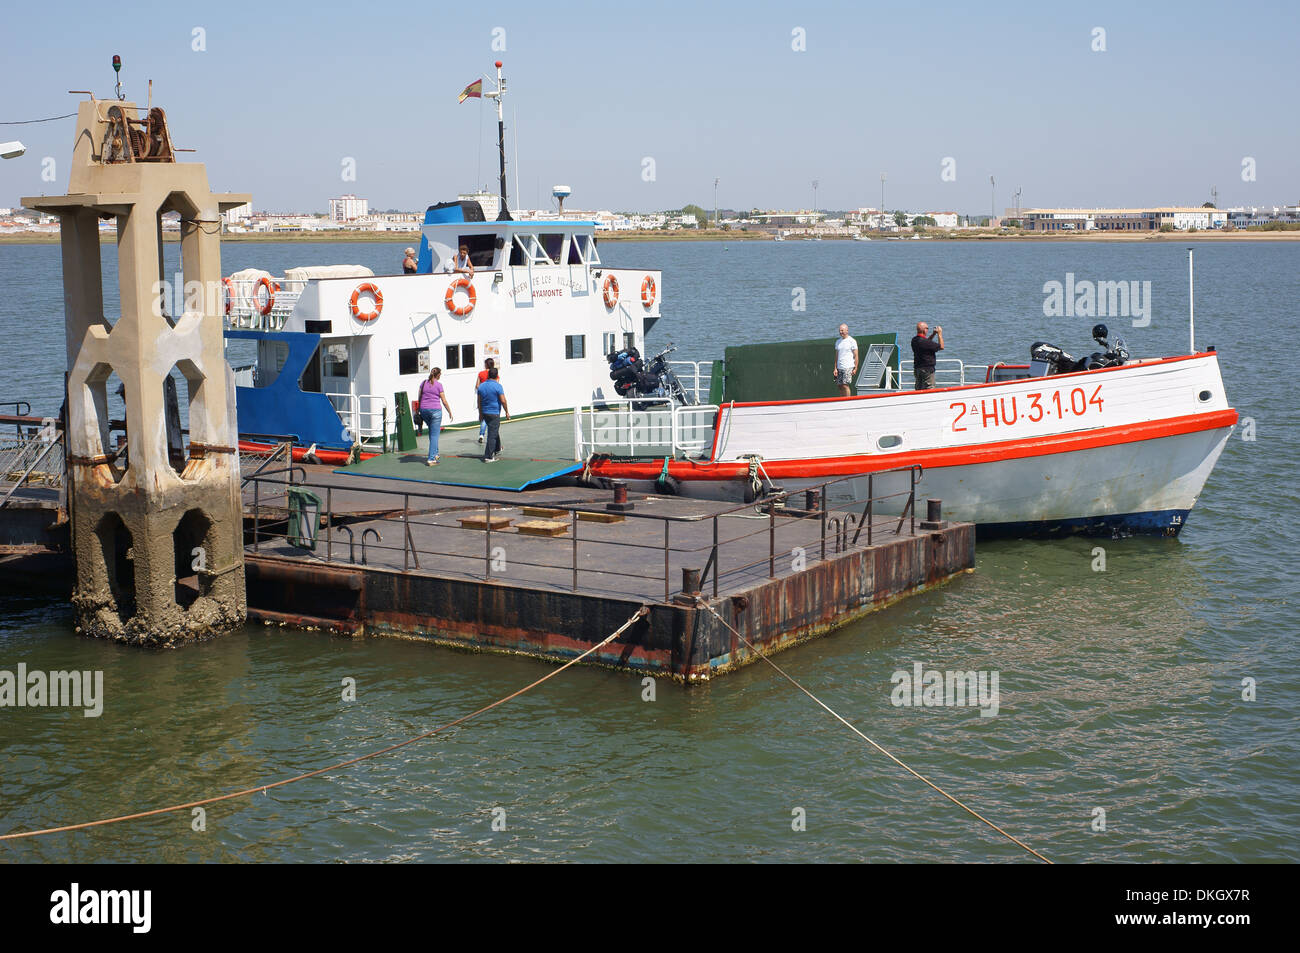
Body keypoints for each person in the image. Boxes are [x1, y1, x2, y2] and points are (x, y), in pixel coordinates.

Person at [417, 368, 453, 465]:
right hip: (435, 411)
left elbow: (419, 397)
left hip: (424, 410)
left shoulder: (423, 383)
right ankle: (431, 458)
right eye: (440, 374)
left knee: (432, 432)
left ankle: (435, 453)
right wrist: (450, 411)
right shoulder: (439, 385)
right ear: (438, 375)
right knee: (434, 435)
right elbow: (444, 401)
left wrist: (418, 409)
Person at [477, 367, 509, 462]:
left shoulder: (481, 386)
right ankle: (488, 456)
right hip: (494, 413)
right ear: (497, 375)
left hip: (485, 413)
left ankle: (497, 448)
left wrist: (480, 413)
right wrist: (507, 411)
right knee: (492, 434)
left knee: (494, 430)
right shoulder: (498, 386)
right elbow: (503, 400)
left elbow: (479, 401)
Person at [911, 321, 944, 390]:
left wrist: (933, 334)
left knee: (918, 389)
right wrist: (940, 334)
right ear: (924, 330)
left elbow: (926, 341)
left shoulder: (914, 340)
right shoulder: (925, 342)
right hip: (927, 370)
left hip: (917, 369)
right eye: (927, 328)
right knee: (929, 389)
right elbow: (941, 347)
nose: (928, 330)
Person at [475, 357, 496, 444]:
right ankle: (493, 437)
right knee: (494, 419)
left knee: (484, 418)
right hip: (492, 398)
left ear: (486, 364)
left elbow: (477, 386)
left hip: (483, 397)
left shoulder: (481, 373)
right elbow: (496, 384)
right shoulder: (494, 373)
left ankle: (481, 435)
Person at [833, 324, 858, 397]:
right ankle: (842, 400)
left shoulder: (852, 341)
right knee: (839, 385)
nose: (841, 332)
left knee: (844, 385)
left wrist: (855, 368)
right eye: (840, 330)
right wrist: (835, 368)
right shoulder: (838, 342)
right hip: (839, 367)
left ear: (847, 330)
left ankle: (848, 401)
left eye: (842, 330)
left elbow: (856, 355)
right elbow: (837, 356)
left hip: (848, 366)